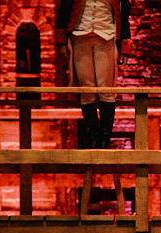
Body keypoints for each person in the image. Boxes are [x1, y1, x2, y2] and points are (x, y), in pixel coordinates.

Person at [55, 0, 132, 148]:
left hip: (106, 37)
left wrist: (124, 46)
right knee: (86, 90)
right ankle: (93, 136)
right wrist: (61, 42)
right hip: (80, 36)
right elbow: (64, 10)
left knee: (106, 90)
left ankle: (105, 137)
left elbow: (124, 14)